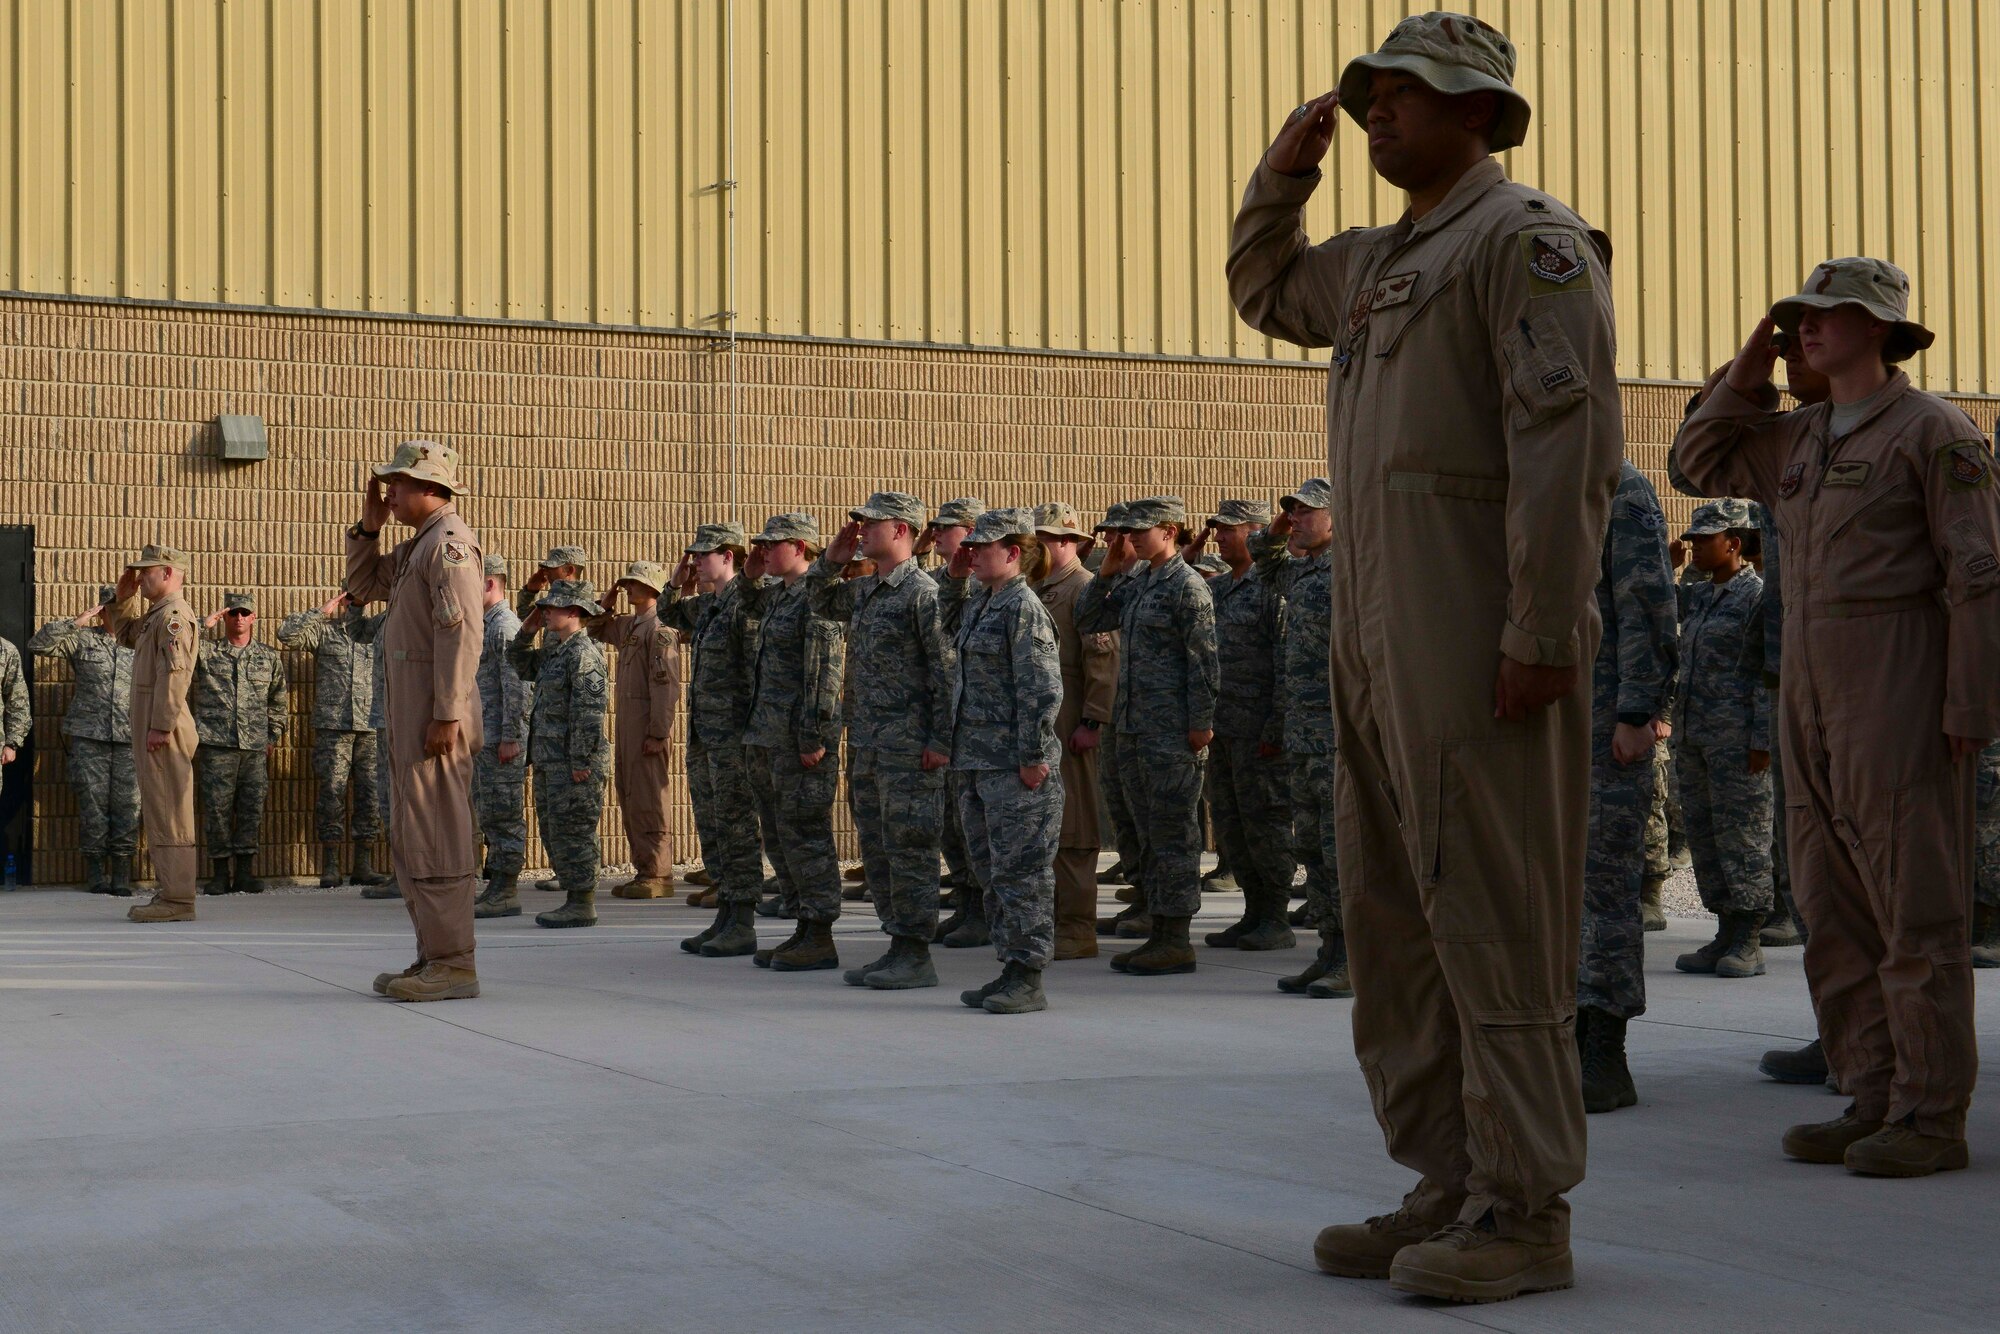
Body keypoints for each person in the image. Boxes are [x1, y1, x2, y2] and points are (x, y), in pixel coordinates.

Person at [1230, 11, 1621, 1300]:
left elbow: (1566, 453)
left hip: (1473, 631)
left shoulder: (1526, 243)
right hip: (1376, 632)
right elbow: (1263, 291)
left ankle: (1523, 1207)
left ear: (1483, 114)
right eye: (1371, 93)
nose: (1379, 110)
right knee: (1392, 912)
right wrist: (1283, 177)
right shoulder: (1381, 256)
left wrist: (1541, 631)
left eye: (1410, 93)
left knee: (1490, 908)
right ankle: (1444, 1177)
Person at [1676, 256, 2000, 1177]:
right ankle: (1870, 1093)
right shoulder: (1802, 434)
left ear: (1882, 327)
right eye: (1795, 320)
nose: (1804, 331)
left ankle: (1930, 1115)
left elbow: (1978, 573)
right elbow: (1695, 461)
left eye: (1825, 316)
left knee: (1913, 907)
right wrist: (1748, 368)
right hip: (1809, 681)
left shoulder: (1935, 433)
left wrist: (1972, 702)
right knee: (1830, 902)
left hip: (1894, 672)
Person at [346, 440, 487, 1002]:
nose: (390, 492)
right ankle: (435, 952)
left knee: (437, 834)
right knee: (413, 834)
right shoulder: (415, 548)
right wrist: (368, 527)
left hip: (435, 719)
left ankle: (454, 963)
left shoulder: (450, 546)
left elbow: (462, 634)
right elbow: (361, 587)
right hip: (413, 718)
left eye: (399, 483)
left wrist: (447, 713)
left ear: (432, 487)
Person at [808, 493, 954, 991]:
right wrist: (832, 559)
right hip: (871, 745)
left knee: (911, 848)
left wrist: (940, 739)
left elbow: (945, 673)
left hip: (911, 750)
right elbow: (815, 600)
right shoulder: (868, 589)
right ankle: (897, 943)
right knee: (878, 849)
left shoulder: (924, 593)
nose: (861, 532)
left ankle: (916, 952)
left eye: (871, 525)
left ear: (901, 531)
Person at [1075, 496, 1218, 978]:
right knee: (1148, 833)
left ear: (1170, 531)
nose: (1131, 538)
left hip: (1172, 732)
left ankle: (1177, 938)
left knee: (1174, 833)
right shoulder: (1139, 581)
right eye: (1128, 532)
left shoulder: (1187, 587)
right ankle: (1158, 929)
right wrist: (1108, 572)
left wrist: (1200, 725)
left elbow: (1203, 662)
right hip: (1135, 727)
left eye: (1141, 531)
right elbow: (1089, 620)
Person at [1576, 463, 1677, 1113]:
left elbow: (1647, 600)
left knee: (1605, 886)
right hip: (1540, 725)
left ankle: (1604, 1053)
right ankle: (1559, 1037)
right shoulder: (1526, 473)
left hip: (1604, 720)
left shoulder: (1617, 486)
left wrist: (1638, 711)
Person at [948, 508, 1066, 1014]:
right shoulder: (982, 603)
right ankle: (1009, 966)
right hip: (977, 762)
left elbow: (1041, 688)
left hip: (1015, 768)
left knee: (1023, 872)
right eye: (969, 546)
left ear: (1013, 553)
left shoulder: (1023, 607)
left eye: (982, 547)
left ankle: (1029, 975)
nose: (970, 554)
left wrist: (1034, 757)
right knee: (992, 870)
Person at [1668, 500, 1773, 980]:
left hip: (1737, 740)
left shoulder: (1757, 596)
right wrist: (1664, 570)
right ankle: (1724, 930)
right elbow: (1660, 609)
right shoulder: (1701, 595)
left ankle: (1749, 936)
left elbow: (1768, 674)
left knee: (1744, 836)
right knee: (1706, 837)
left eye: (1703, 540)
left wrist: (1762, 739)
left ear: (1733, 544)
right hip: (1695, 737)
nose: (1695, 547)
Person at [1252, 479, 1348, 997]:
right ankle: (1329, 950)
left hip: (1338, 735)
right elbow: (1263, 561)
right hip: (1304, 735)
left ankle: (1354, 959)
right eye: (1292, 513)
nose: (1297, 520)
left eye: (1308, 512)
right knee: (1311, 847)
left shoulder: (1348, 572)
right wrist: (1278, 526)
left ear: (1338, 518)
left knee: (1341, 851)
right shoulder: (1304, 572)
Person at [740, 513, 847, 971]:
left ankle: (820, 933)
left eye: (772, 545)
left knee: (807, 835)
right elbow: (741, 603)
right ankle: (802, 924)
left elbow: (824, 672)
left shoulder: (814, 598)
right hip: (769, 737)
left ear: (800, 547)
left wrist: (814, 735)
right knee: (782, 836)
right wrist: (748, 573)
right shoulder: (779, 596)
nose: (764, 552)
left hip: (799, 739)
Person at [1187, 500, 1294, 952]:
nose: (1220, 536)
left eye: (1230, 529)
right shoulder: (1220, 590)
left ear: (1256, 531)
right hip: (1225, 729)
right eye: (1217, 529)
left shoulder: (1272, 589)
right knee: (1232, 827)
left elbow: (1287, 662)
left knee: (1266, 825)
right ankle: (1253, 913)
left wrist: (1276, 727)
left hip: (1260, 733)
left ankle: (1275, 917)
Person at [664, 523, 764, 958]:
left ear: (730, 556)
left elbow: (756, 674)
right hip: (706, 735)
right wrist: (674, 583)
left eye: (704, 555)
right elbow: (668, 614)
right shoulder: (709, 606)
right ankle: (725, 911)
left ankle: (742, 920)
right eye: (694, 556)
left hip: (734, 737)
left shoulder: (747, 604)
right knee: (713, 823)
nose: (697, 562)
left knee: (737, 826)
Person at [1032, 502, 1118, 960]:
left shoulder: (1084, 589)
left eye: (1046, 540)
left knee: (1076, 826)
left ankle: (1078, 926)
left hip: (1071, 719)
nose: (1038, 548)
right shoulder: (1037, 589)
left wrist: (1093, 719)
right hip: (1044, 720)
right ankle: (1050, 920)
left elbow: (1102, 660)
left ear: (1072, 543)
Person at [510, 580, 612, 929]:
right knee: (554, 829)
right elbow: (520, 665)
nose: (546, 612)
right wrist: (526, 632)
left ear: (574, 612)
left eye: (553, 608)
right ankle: (573, 897)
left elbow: (589, 712)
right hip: (550, 760)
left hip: (572, 764)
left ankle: (582, 903)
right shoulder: (557, 651)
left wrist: (581, 761)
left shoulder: (583, 655)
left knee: (575, 830)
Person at [108, 545, 203, 922]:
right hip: (154, 725)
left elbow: (175, 675)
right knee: (161, 809)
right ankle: (171, 892)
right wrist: (123, 599)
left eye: (146, 572)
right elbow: (126, 634)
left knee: (170, 811)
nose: (140, 577)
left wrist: (161, 726)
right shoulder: (156, 615)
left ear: (167, 573)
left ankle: (178, 900)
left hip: (164, 727)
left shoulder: (175, 616)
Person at [30, 587, 139, 896]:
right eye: (110, 607)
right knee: (92, 807)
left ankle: (121, 873)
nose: (116, 613)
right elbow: (38, 644)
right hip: (89, 737)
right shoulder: (83, 639)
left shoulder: (140, 642)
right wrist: (75, 623)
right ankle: (95, 873)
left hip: (130, 738)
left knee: (129, 805)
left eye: (122, 607)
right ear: (101, 610)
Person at [277, 587, 388, 890]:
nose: (355, 604)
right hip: (333, 727)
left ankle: (363, 865)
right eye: (349, 598)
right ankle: (331, 866)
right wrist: (321, 612)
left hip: (370, 726)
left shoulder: (378, 629)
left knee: (372, 795)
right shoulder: (326, 633)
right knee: (331, 794)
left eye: (360, 598)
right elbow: (286, 635)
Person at [921, 496, 991, 944]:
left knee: (973, 824)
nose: (939, 533)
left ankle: (982, 909)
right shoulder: (936, 583)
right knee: (950, 822)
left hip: (971, 720)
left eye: (949, 526)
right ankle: (966, 902)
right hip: (942, 716)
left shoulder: (988, 587)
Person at [592, 562, 682, 900]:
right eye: (627, 584)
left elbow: (665, 685)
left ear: (653, 589)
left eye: (635, 584)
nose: (629, 588)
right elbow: (596, 628)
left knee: (649, 799)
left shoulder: (660, 631)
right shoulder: (631, 626)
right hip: (629, 727)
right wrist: (608, 600)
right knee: (630, 795)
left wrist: (658, 732)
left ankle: (659, 873)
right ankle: (645, 869)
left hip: (647, 727)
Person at [190, 592, 288, 895]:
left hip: (254, 747)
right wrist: (202, 625)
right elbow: (176, 647)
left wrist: (272, 736)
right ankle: (220, 873)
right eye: (233, 613)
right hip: (216, 745)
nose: (239, 618)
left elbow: (278, 701)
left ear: (254, 617)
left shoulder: (268, 657)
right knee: (216, 810)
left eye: (245, 613)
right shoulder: (206, 652)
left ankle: (244, 872)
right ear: (225, 617)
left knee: (250, 809)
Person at [472, 555, 533, 917]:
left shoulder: (504, 626)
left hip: (501, 740)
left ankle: (507, 888)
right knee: (490, 811)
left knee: (505, 812)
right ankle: (496, 883)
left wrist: (511, 735)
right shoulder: (486, 624)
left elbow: (517, 686)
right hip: (487, 736)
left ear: (491, 584)